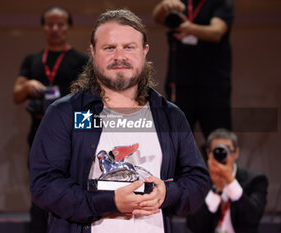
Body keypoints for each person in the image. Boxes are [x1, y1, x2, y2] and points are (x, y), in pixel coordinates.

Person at [29, 9, 210, 233]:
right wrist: (110, 203)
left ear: (144, 52)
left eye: (129, 47)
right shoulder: (66, 113)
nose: (119, 57)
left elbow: (198, 180)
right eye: (109, 48)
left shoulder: (169, 116)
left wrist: (167, 193)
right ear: (93, 52)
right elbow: (44, 185)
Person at [13, 6, 88, 233]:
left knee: (72, 185)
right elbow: (16, 94)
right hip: (39, 131)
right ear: (43, 27)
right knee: (40, 187)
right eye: (50, 24)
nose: (55, 29)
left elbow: (91, 100)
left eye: (60, 24)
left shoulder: (81, 60)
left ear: (68, 27)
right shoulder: (33, 60)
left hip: (71, 134)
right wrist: (26, 85)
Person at [152, 0, 234, 138]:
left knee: (219, 139)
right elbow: (157, 17)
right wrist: (164, 6)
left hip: (214, 85)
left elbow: (217, 32)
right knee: (176, 140)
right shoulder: (180, 2)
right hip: (180, 83)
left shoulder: (221, 2)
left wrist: (190, 29)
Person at [186, 128, 268, 233]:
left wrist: (230, 182)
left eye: (226, 150)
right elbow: (194, 225)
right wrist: (216, 191)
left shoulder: (256, 180)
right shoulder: (199, 182)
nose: (222, 155)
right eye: (217, 150)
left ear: (236, 153)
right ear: (208, 153)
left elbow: (253, 219)